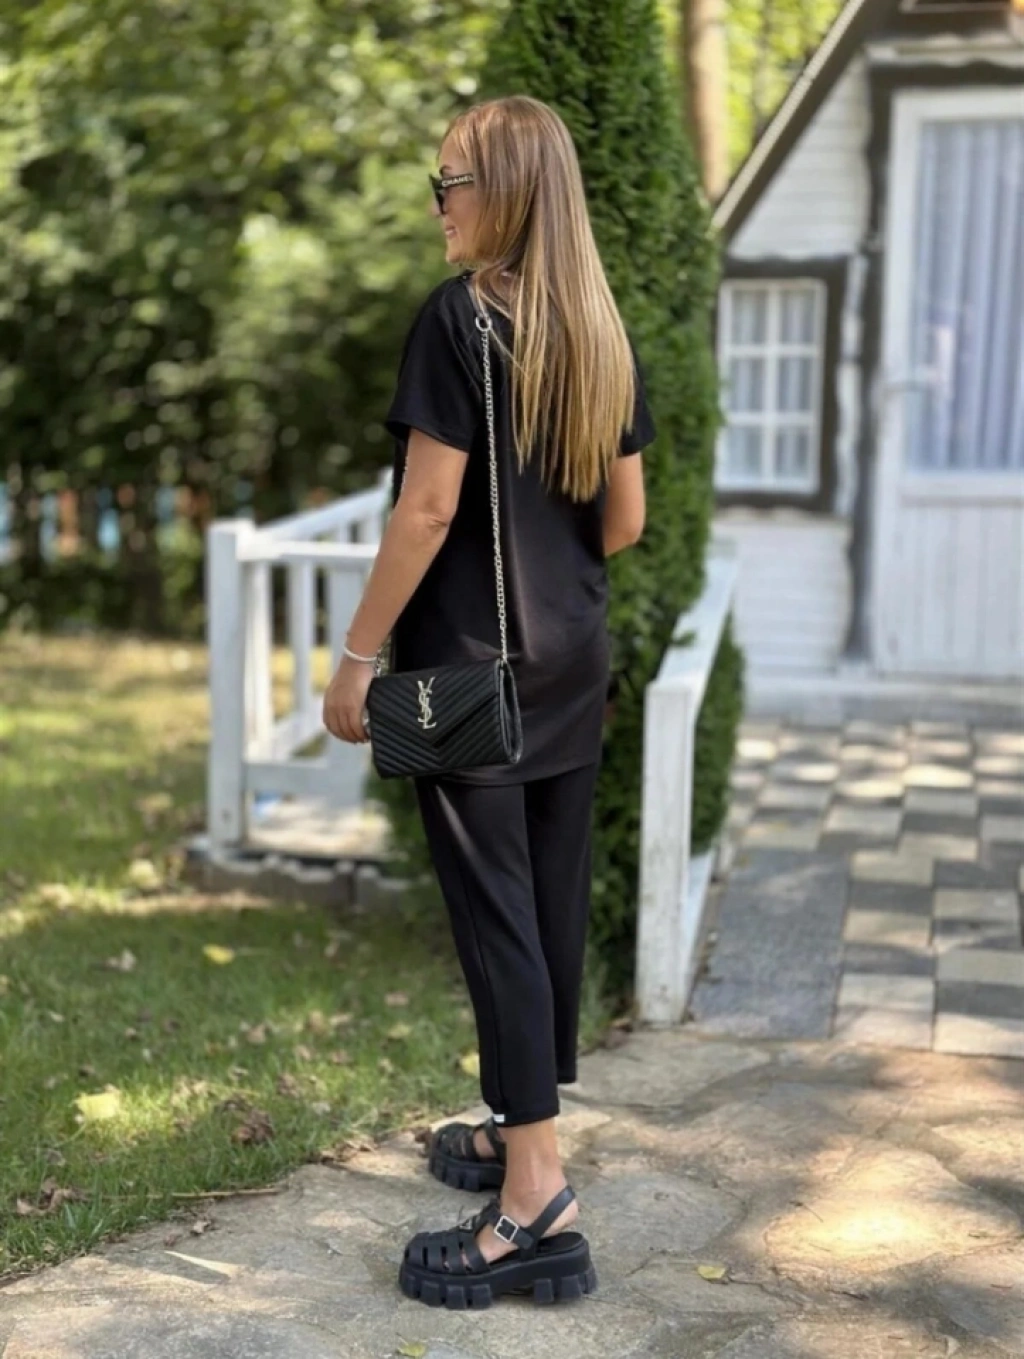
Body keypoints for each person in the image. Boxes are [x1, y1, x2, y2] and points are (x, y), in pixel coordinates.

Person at [322, 94, 654, 1309]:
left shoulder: (458, 321)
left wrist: (356, 656)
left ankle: (535, 1201)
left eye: (450, 183)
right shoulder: (596, 331)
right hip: (570, 664)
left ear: (506, 193)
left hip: (470, 675)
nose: (437, 206)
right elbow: (624, 521)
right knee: (544, 910)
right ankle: (523, 1126)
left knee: (496, 922)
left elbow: (425, 511)